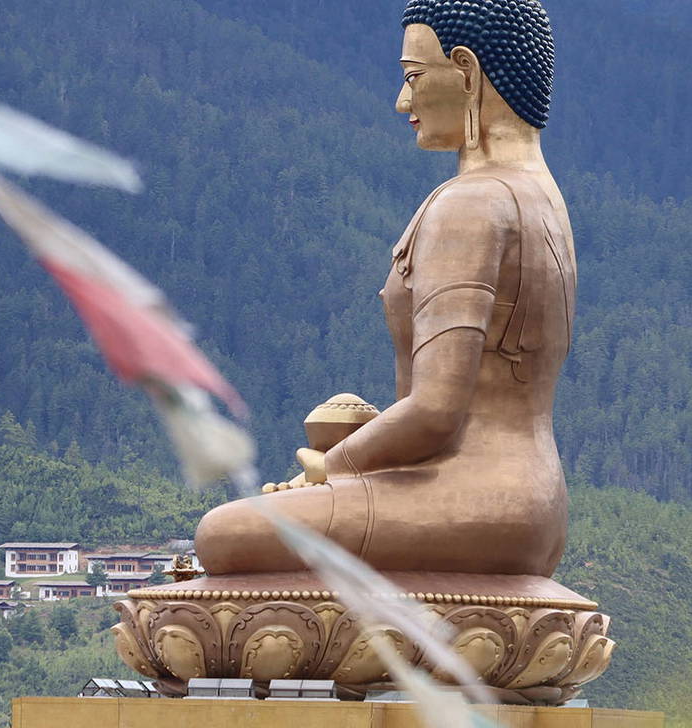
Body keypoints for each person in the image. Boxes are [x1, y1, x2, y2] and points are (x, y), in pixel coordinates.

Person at [195, 0, 575, 578]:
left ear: (467, 73)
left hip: (471, 495)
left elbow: (434, 413)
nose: (404, 102)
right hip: (532, 498)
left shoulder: (473, 202)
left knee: (224, 533)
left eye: (413, 78)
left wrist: (328, 469)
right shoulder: (542, 196)